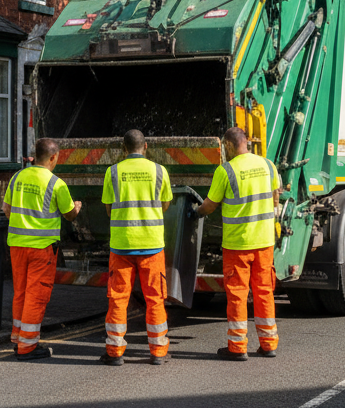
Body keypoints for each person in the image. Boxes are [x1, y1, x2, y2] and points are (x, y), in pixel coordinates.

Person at [192, 127, 280, 361]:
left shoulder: (226, 170)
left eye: (224, 148)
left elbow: (210, 204)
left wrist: (196, 212)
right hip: (264, 242)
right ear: (247, 143)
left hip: (238, 245)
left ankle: (238, 347)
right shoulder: (268, 165)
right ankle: (269, 344)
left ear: (229, 146)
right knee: (264, 292)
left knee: (238, 295)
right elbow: (275, 196)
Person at [0, 138, 82, 360]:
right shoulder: (57, 184)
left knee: (21, 293)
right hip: (42, 249)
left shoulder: (17, 177)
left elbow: (7, 210)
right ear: (54, 157)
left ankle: (18, 339)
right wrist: (77, 208)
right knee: (36, 296)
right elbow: (68, 215)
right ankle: (28, 347)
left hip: (17, 245)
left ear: (35, 155)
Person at [100, 130, 174, 366]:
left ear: (123, 148)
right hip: (152, 245)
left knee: (118, 299)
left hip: (121, 245)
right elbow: (165, 204)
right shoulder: (160, 171)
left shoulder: (112, 172)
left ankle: (114, 353)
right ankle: (158, 353)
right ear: (146, 147)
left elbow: (109, 209)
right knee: (155, 299)